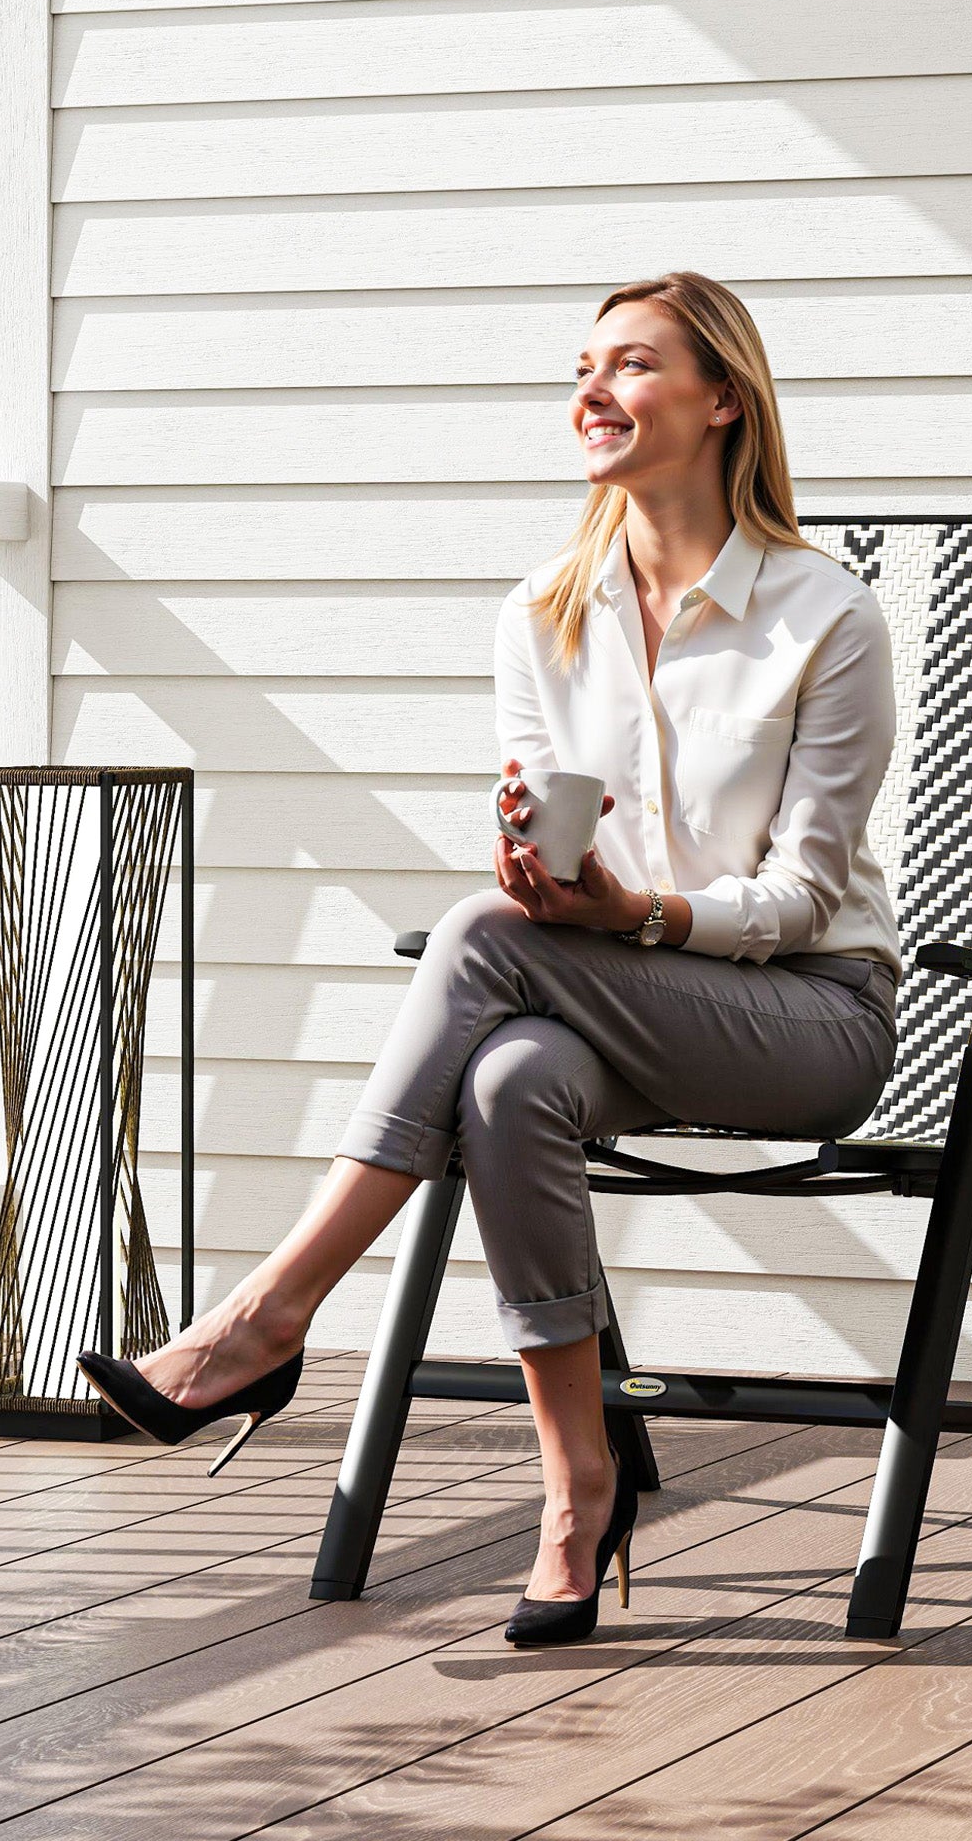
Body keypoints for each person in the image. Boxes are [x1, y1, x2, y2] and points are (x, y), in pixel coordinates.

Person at [80, 270, 902, 1646]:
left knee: (475, 936)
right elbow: (547, 819)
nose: (592, 394)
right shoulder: (541, 612)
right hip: (607, 999)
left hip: (809, 1021)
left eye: (632, 366)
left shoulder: (826, 614)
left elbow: (808, 898)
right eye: (583, 368)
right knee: (511, 1074)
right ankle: (578, 1494)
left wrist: (630, 916)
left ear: (722, 399)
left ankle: (264, 1319)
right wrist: (551, 879)